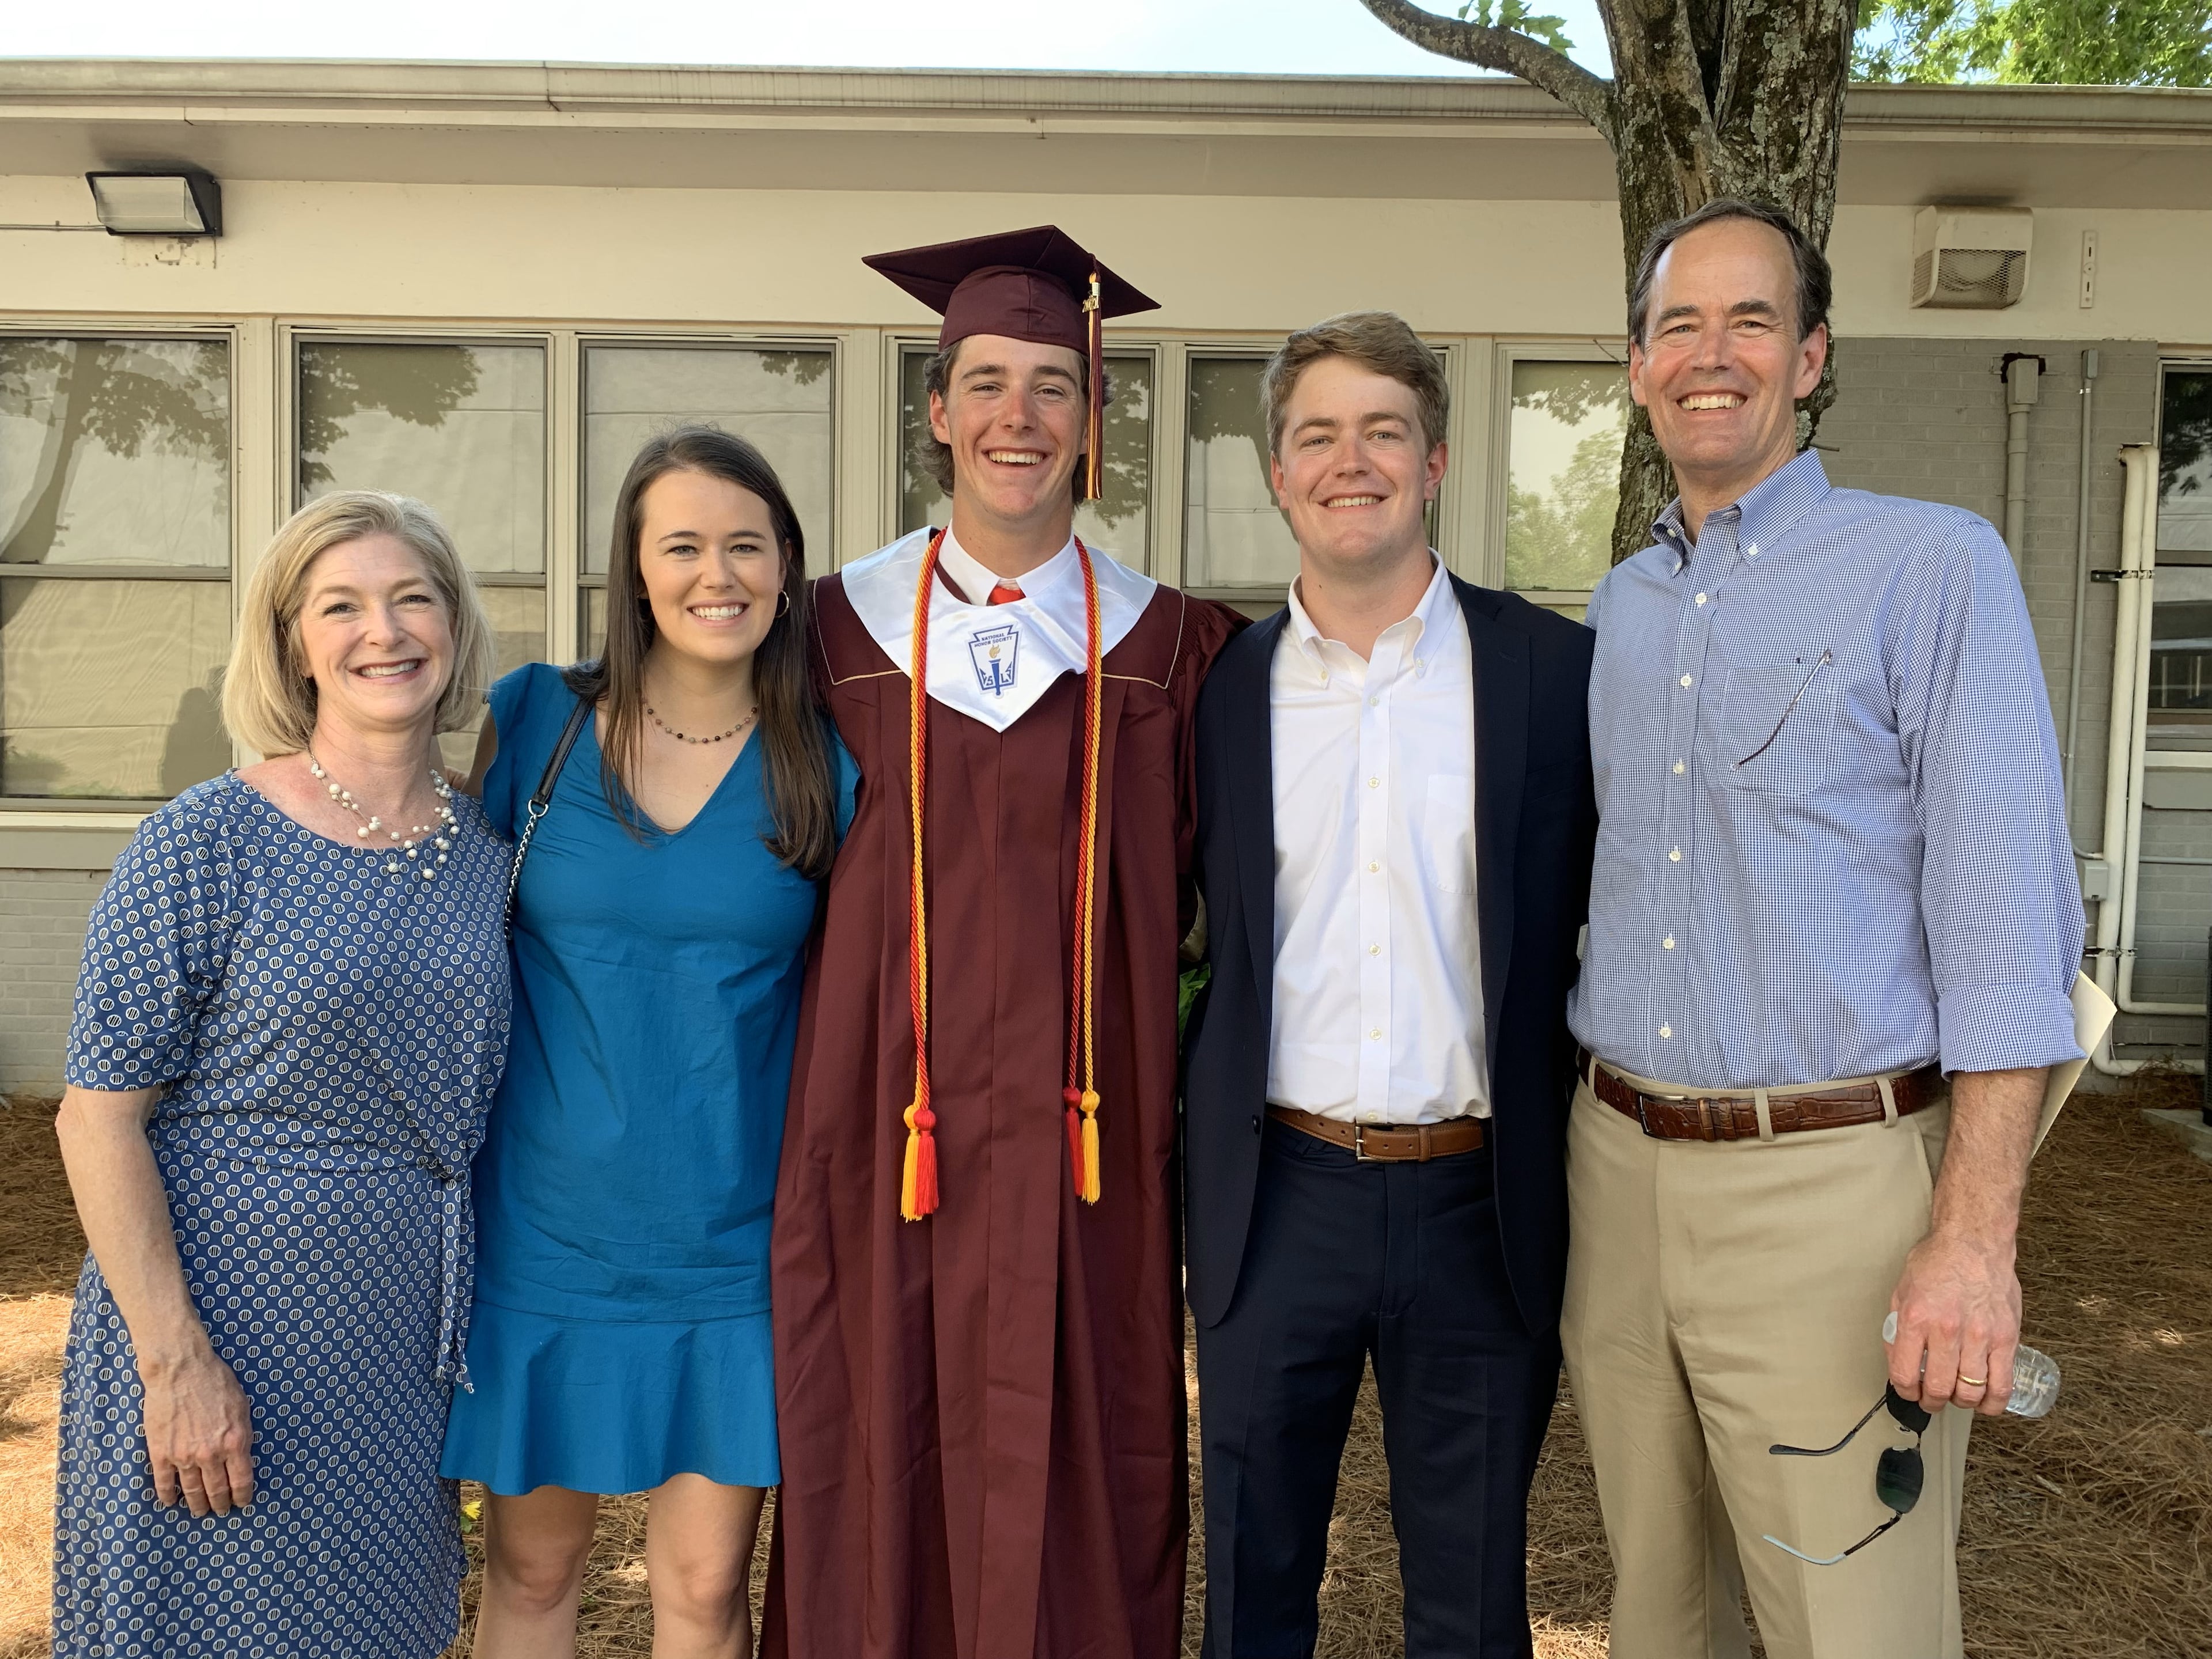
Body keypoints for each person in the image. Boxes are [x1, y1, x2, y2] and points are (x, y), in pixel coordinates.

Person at [1563, 198, 2085, 1659]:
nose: (1710, 353)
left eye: (1750, 321)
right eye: (1679, 324)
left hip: (1828, 1191)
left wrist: (1974, 1239)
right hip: (1614, 1178)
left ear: (1812, 358)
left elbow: (2007, 926)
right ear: (1636, 364)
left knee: (1855, 1622)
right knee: (1659, 1614)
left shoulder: (1931, 566)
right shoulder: (1623, 607)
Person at [763, 226, 1241, 1659]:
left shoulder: (1176, 652)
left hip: (1088, 1154)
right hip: (875, 1140)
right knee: (874, 1443)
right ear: (936, 409)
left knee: (1092, 1459)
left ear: (1094, 417)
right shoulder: (826, 636)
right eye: (985, 382)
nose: (1016, 417)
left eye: (1050, 384)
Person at [1181, 313, 1598, 1657]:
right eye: (1317, 435)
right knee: (1251, 1585)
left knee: (1473, 1604)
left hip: (1479, 1200)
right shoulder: (1219, 691)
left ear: (1432, 463)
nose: (1347, 460)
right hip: (1274, 1194)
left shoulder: (1549, 674)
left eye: (1382, 432)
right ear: (1277, 472)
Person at [50, 491, 509, 1658]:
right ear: (293, 641)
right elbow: (97, 1118)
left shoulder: (493, 856)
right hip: (220, 1325)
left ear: (453, 625)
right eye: (342, 606)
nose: (385, 632)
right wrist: (176, 1362)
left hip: (403, 1337)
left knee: (376, 1628)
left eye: (414, 598)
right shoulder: (206, 840)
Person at [441, 426, 853, 1659]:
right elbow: (436, 929)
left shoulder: (829, 759)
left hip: (735, 1248)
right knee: (529, 1573)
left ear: (787, 568)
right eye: (681, 544)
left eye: (746, 543)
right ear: (633, 568)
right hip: (544, 1235)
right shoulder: (534, 725)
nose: (715, 572)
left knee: (704, 1589)